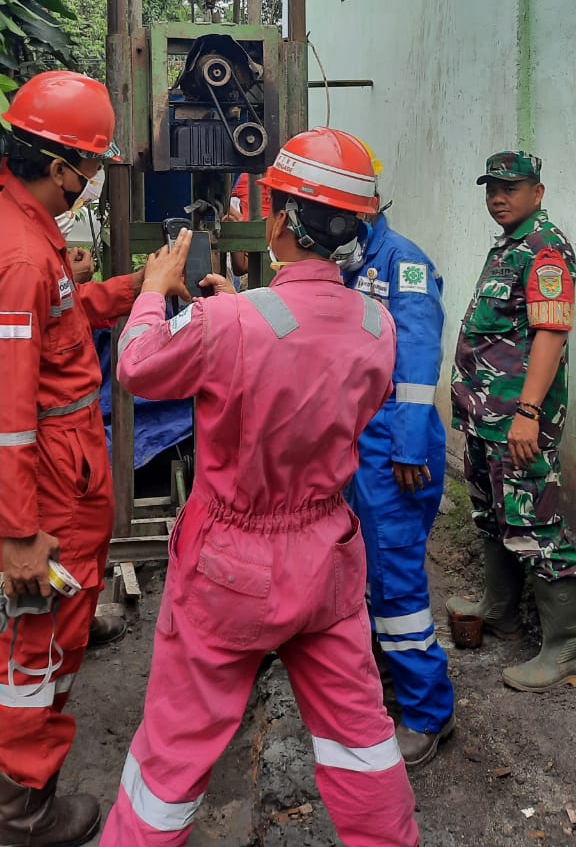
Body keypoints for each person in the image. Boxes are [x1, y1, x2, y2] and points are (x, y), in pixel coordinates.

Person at [100, 127, 419, 847]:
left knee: (174, 755)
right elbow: (314, 370)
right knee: (360, 741)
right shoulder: (378, 323)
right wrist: (235, 309)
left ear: (276, 217)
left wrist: (154, 295)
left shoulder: (227, 323)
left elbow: (139, 367)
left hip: (229, 567)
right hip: (328, 556)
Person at [0, 70, 145, 846]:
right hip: (46, 482)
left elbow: (62, 318)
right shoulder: (22, 253)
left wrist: (132, 288)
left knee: (44, 630)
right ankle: (23, 814)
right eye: (88, 173)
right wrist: (19, 534)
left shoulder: (25, 230)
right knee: (33, 640)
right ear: (59, 168)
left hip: (61, 466)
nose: (88, 187)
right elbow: (7, 416)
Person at [340, 156, 454, 768]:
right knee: (366, 573)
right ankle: (389, 678)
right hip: (360, 442)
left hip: (394, 447)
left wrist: (409, 445)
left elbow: (416, 355)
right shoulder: (350, 261)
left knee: (397, 583)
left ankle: (428, 714)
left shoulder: (401, 261)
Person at [448, 151, 576, 691]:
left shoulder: (546, 250)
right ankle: (499, 609)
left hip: (517, 419)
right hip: (488, 416)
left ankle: (564, 649)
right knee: (493, 512)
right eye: (492, 188)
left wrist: (526, 413)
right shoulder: (511, 245)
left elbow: (551, 333)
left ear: (537, 193)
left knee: (536, 524)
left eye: (512, 188)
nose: (498, 197)